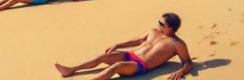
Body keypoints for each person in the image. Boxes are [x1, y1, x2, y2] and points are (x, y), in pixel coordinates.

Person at [55, 13, 193, 79]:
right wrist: (118, 44)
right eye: (159, 22)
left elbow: (188, 63)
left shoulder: (177, 44)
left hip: (139, 65)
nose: (158, 25)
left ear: (170, 27)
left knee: (116, 66)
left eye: (161, 24)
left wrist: (181, 72)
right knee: (102, 57)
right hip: (129, 55)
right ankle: (71, 70)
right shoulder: (153, 31)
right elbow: (138, 40)